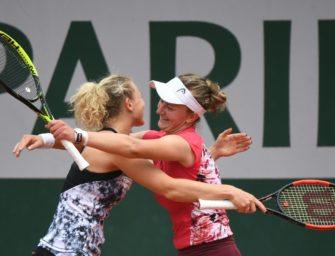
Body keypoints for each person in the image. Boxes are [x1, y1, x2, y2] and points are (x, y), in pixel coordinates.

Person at [13, 74, 265, 256]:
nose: (159, 108)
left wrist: (71, 135)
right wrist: (48, 139)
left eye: (171, 106)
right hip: (67, 251)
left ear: (191, 115)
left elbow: (132, 152)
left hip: (210, 248)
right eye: (158, 101)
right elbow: (121, 147)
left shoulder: (160, 145)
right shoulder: (139, 143)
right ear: (129, 105)